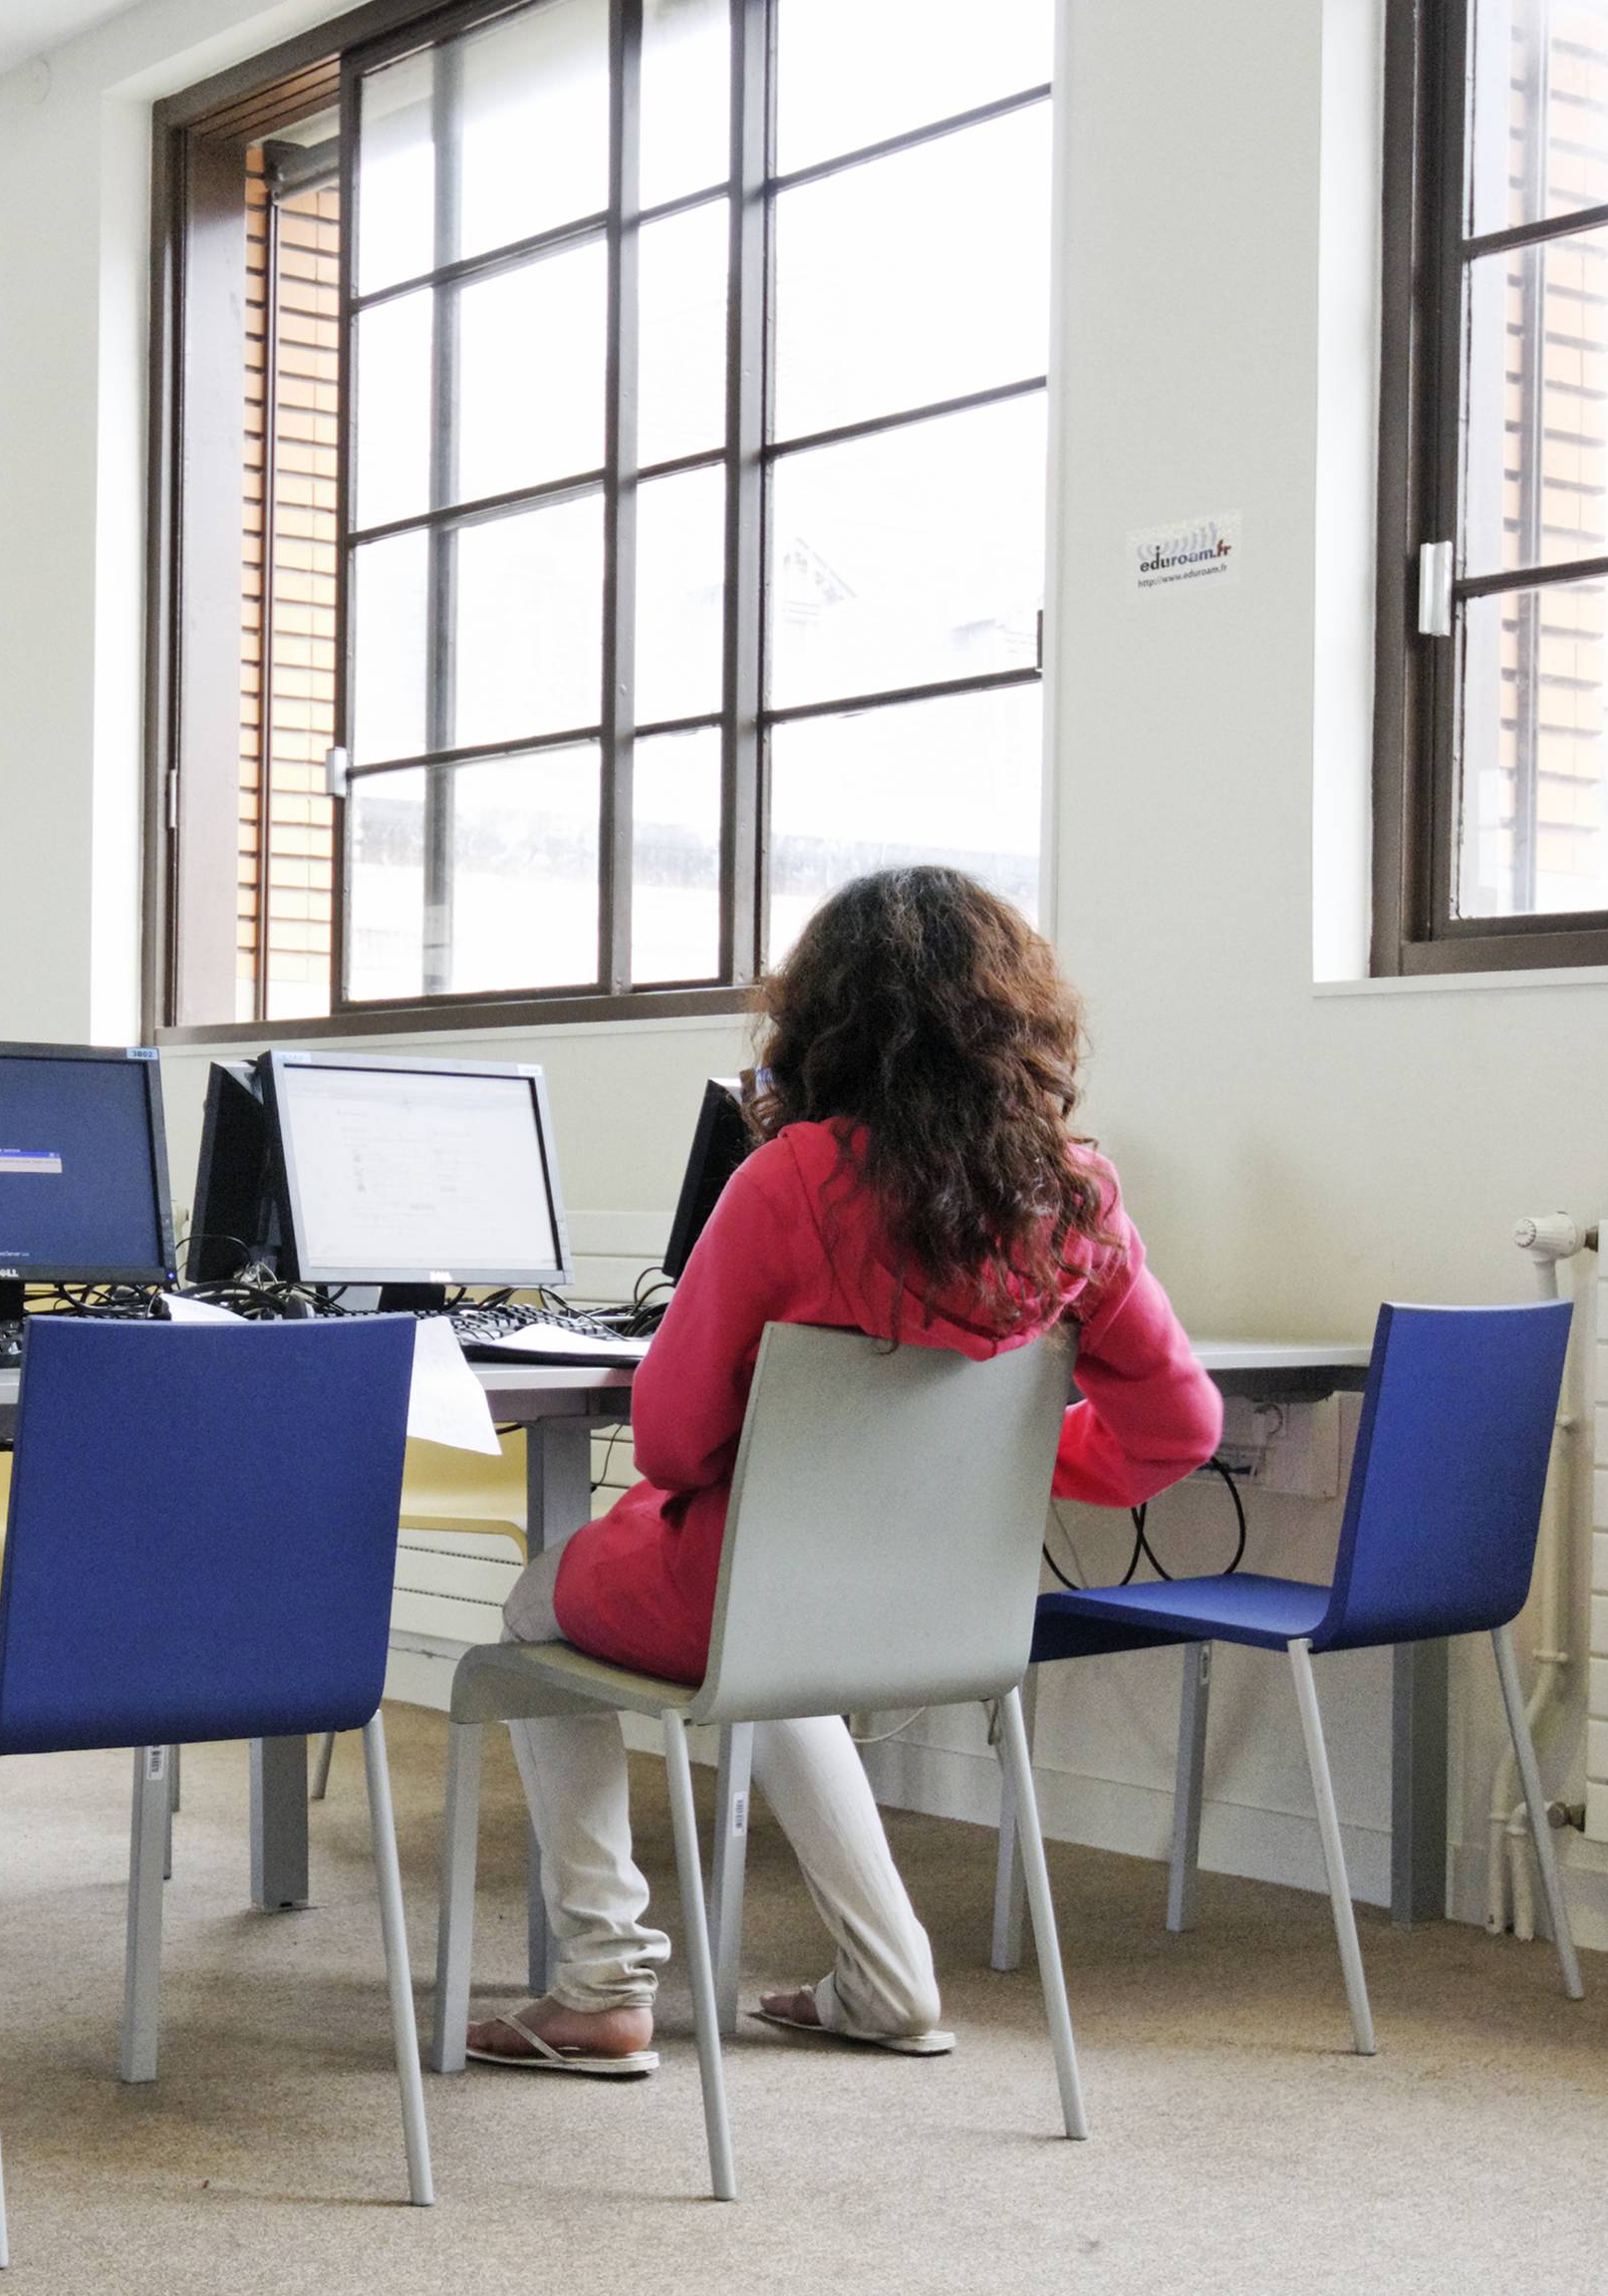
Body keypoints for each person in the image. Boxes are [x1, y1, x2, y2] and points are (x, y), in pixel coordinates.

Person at [465, 866, 1220, 2075]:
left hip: (752, 1583)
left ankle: (601, 1980)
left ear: (821, 1021)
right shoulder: (1075, 1196)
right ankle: (889, 1981)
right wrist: (1007, 1473)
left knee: (535, 1601)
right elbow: (1175, 1429)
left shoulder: (790, 1179)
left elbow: (671, 1444)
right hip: (945, 1602)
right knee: (781, 1644)